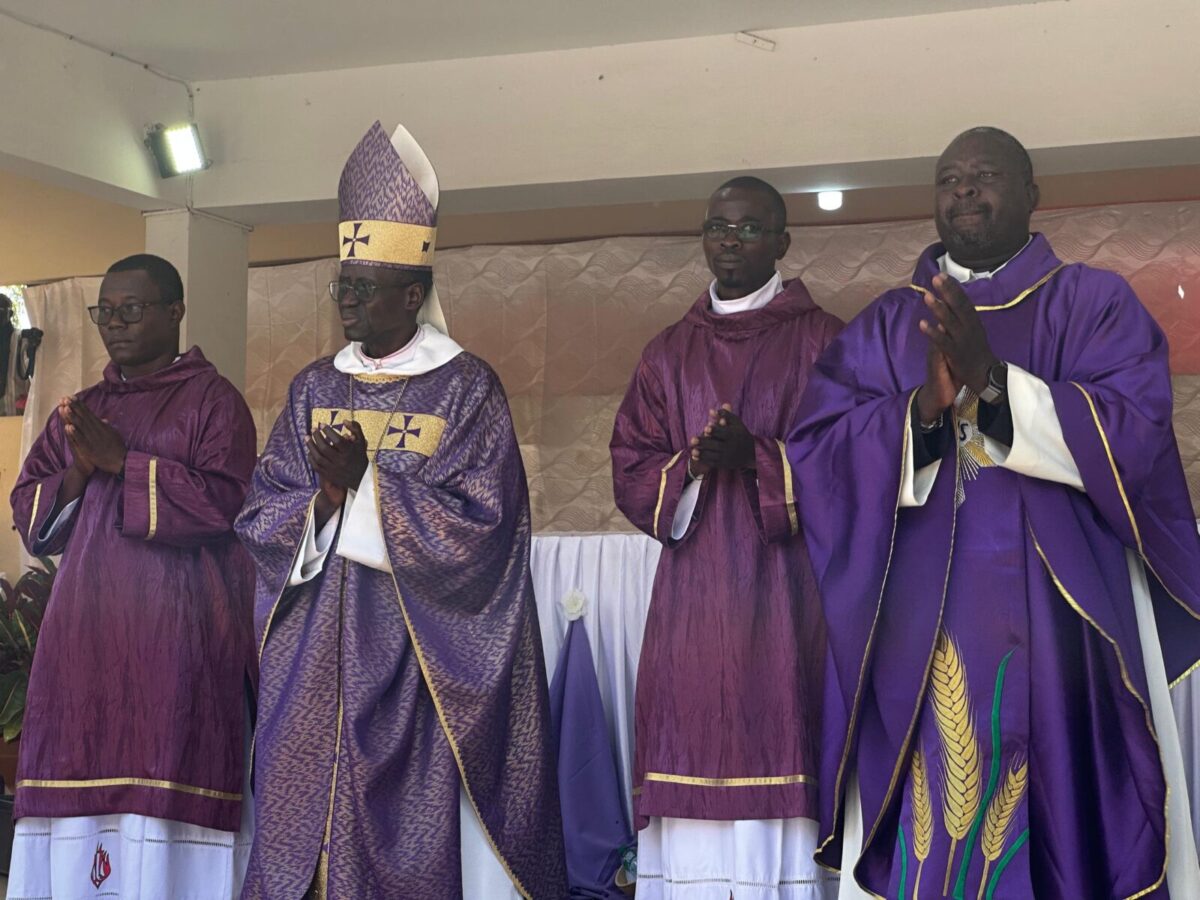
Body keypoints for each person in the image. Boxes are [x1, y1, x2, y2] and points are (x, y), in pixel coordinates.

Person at [788, 127, 1200, 899]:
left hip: (1061, 623)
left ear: (1033, 193)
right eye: (950, 178)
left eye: (985, 176)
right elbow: (820, 450)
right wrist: (916, 413)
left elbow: (1134, 432)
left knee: (1060, 812)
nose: (965, 191)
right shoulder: (884, 324)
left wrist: (995, 381)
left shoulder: (1092, 302)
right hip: (921, 625)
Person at [236, 120, 567, 899]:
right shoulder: (315, 386)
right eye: (340, 285)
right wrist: (325, 497)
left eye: (362, 287)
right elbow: (260, 514)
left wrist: (370, 489)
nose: (345, 300)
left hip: (422, 657)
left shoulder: (464, 387)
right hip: (316, 651)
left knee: (411, 835)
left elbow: (486, 527)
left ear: (412, 294)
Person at [610, 176, 843, 899]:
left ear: (782, 241)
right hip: (694, 596)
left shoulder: (824, 340)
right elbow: (631, 459)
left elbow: (855, 457)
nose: (730, 241)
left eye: (748, 228)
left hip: (786, 595)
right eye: (718, 227)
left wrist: (761, 458)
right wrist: (692, 466)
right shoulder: (668, 351)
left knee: (781, 734)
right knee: (689, 747)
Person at [8, 253, 257, 899]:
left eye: (132, 309)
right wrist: (83, 469)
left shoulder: (214, 401)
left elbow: (227, 506)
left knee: (168, 767)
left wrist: (124, 462)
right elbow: (34, 523)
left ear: (174, 312)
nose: (114, 324)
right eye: (105, 312)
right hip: (84, 633)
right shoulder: (80, 411)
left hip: (179, 632)